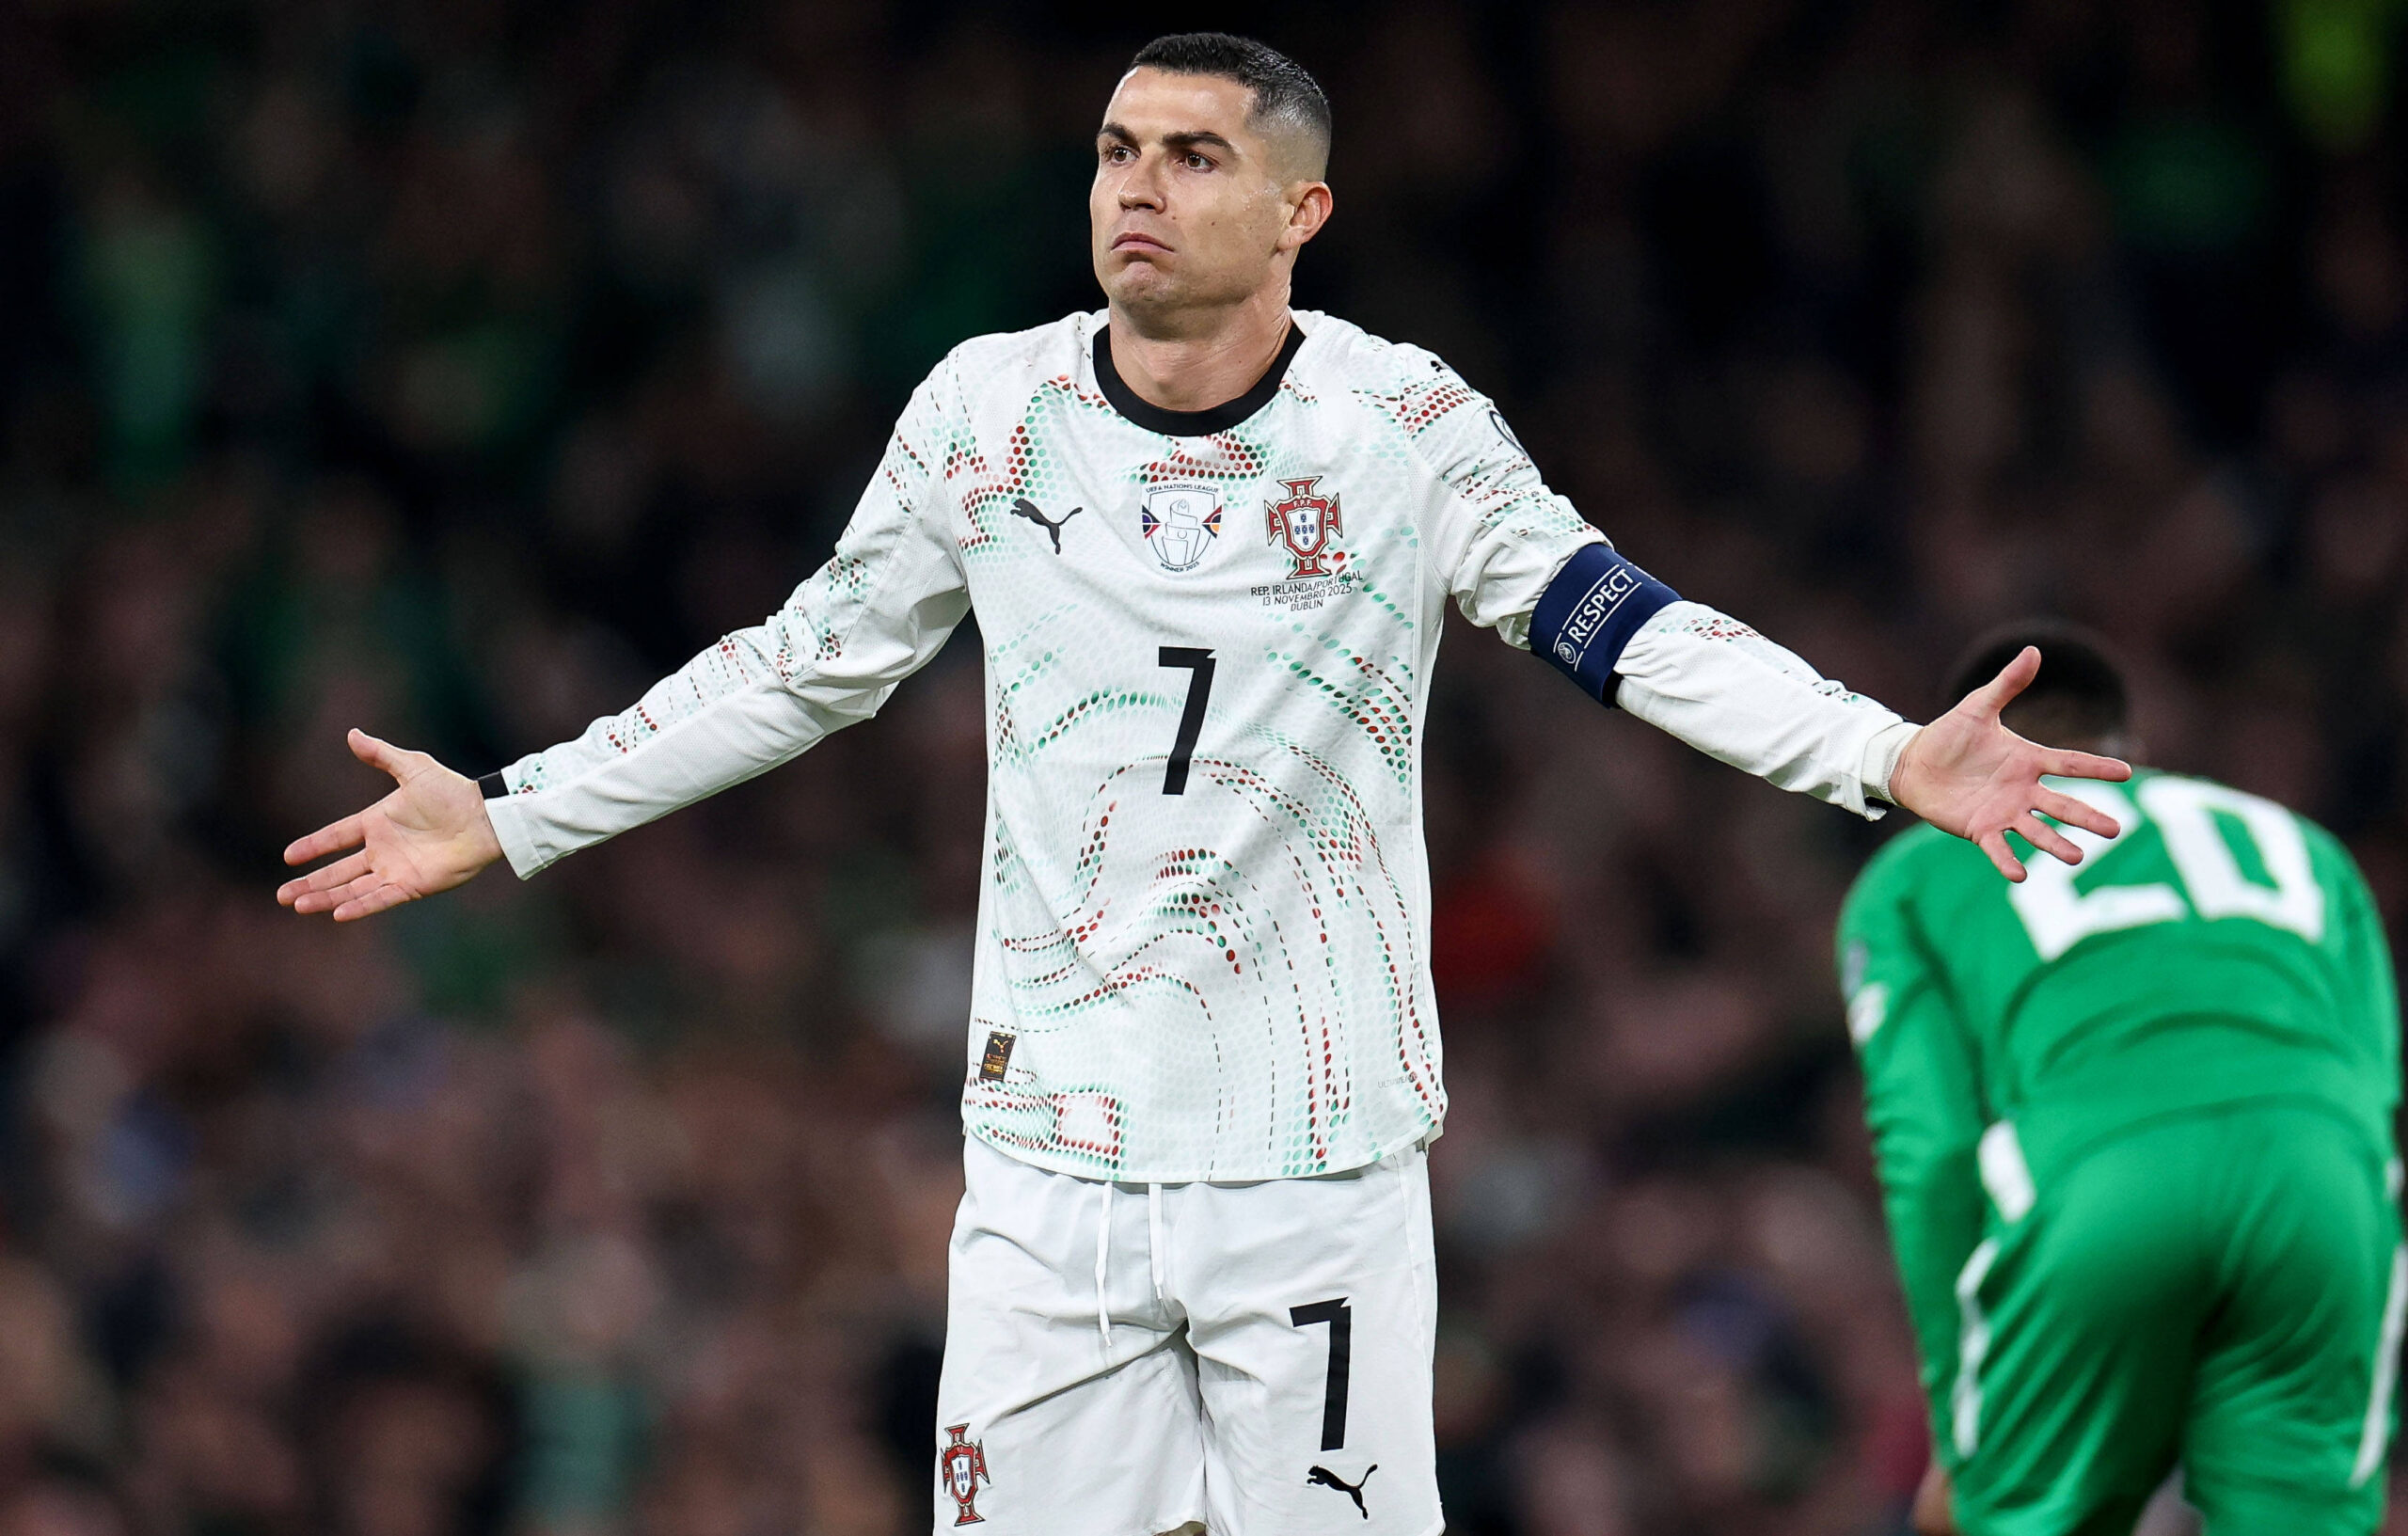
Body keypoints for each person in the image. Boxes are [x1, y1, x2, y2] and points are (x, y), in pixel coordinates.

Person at [279, 34, 2128, 1536]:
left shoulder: (1402, 427)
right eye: (1114, 152)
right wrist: (513, 808)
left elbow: (1617, 622)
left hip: (1312, 1164)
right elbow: (801, 663)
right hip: (1051, 1164)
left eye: (1189, 156)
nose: (1135, 190)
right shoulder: (987, 414)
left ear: (1300, 209)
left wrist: (1880, 750)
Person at [1839, 623, 2401, 1536]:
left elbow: (1929, 1151)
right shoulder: (2306, 846)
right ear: (2129, 748)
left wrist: (1960, 1421)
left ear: (1955, 753)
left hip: (2100, 1181)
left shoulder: (1913, 873)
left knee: (2009, 1513)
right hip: (2320, 1188)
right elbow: (2378, 1098)